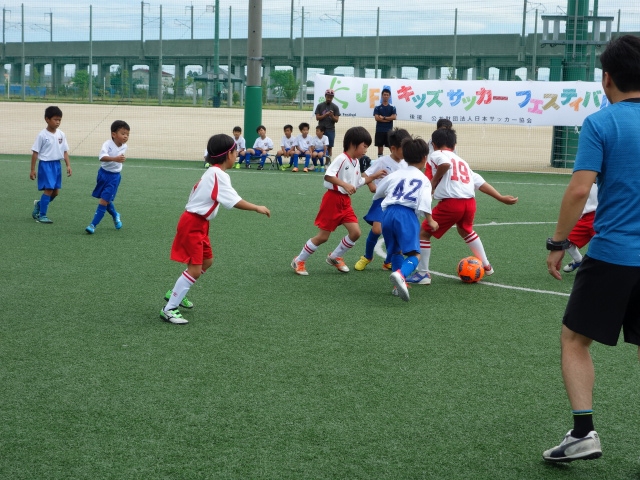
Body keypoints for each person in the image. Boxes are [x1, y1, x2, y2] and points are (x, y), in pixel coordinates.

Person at [543, 35, 640, 463]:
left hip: (614, 255)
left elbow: (579, 190)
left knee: (574, 339)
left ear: (606, 78)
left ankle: (583, 433)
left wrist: (559, 242)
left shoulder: (601, 123)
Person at [161, 134, 270, 325]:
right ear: (228, 154)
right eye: (236, 151)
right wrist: (256, 207)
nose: (237, 154)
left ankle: (176, 293)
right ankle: (169, 309)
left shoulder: (212, 172)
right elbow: (234, 201)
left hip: (198, 223)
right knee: (195, 269)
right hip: (193, 223)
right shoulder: (219, 175)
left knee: (207, 261)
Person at [406, 128, 518, 285]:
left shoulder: (437, 155)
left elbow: (444, 165)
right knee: (465, 230)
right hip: (470, 202)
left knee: (423, 233)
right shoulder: (462, 161)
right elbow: (479, 182)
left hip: (452, 203)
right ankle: (486, 265)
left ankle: (423, 274)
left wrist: (433, 183)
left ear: (434, 144)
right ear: (454, 144)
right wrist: (500, 197)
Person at [291, 126, 386, 276]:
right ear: (353, 144)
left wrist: (373, 177)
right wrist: (344, 184)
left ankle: (334, 257)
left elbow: (358, 182)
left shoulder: (356, 162)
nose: (366, 150)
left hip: (345, 202)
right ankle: (299, 260)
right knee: (323, 236)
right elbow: (328, 176)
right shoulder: (341, 159)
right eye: (365, 146)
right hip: (332, 200)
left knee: (355, 233)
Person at [372, 136, 437, 301]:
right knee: (416, 255)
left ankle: (397, 287)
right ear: (424, 158)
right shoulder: (424, 179)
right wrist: (430, 220)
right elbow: (425, 201)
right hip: (406, 215)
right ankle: (401, 275)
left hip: (387, 214)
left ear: (405, 157)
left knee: (395, 250)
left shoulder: (396, 174)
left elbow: (379, 192)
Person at [354, 128, 410, 272]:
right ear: (393, 148)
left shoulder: (406, 164)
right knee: (377, 229)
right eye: (404, 149)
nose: (407, 152)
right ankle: (367, 257)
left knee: (393, 233)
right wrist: (372, 185)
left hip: (397, 203)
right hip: (381, 201)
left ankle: (388, 261)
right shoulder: (382, 161)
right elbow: (366, 174)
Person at [85, 120, 130, 234]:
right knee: (106, 199)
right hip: (102, 174)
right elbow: (102, 157)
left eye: (127, 134)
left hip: (114, 177)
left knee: (103, 201)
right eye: (123, 133)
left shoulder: (124, 147)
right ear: (114, 134)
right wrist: (115, 159)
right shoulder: (107, 144)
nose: (126, 136)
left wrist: (119, 160)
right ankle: (115, 214)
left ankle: (92, 225)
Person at [30, 105, 72, 224]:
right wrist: (32, 169)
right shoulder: (42, 135)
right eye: (55, 119)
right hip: (46, 165)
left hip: (57, 165)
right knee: (48, 190)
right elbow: (35, 152)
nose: (58, 122)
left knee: (55, 192)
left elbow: (65, 151)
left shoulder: (61, 134)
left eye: (59, 120)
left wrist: (68, 165)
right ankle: (42, 215)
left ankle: (39, 204)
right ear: (47, 119)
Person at [562, 183, 598, 273]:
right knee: (564, 240)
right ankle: (578, 260)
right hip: (586, 218)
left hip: (602, 216)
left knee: (603, 245)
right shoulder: (584, 180)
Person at [315, 88, 340, 157]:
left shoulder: (335, 107)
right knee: (317, 146)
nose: (329, 98)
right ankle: (315, 163)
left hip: (330, 129)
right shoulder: (320, 106)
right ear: (325, 96)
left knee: (329, 147)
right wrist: (325, 115)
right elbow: (317, 118)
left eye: (331, 97)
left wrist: (332, 116)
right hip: (321, 130)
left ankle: (328, 163)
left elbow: (336, 120)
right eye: (328, 97)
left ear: (333, 98)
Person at [373, 87, 397, 157]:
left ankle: (393, 161)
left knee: (391, 148)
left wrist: (383, 117)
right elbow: (377, 118)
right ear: (382, 96)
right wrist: (389, 119)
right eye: (384, 94)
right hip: (379, 130)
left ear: (389, 96)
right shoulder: (377, 107)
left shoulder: (393, 108)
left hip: (389, 131)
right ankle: (380, 162)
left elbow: (394, 117)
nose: (386, 96)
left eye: (387, 95)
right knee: (380, 149)